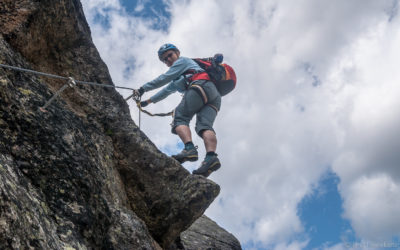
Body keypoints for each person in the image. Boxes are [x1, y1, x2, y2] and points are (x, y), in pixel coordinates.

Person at [133, 43, 222, 177]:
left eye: (170, 55)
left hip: (200, 86)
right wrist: (146, 102)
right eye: (165, 59)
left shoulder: (182, 61)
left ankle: (189, 149)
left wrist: (143, 88)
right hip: (214, 95)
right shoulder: (182, 74)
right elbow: (166, 90)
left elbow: (163, 79)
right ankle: (211, 157)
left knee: (180, 118)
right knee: (204, 126)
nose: (168, 59)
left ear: (177, 53)